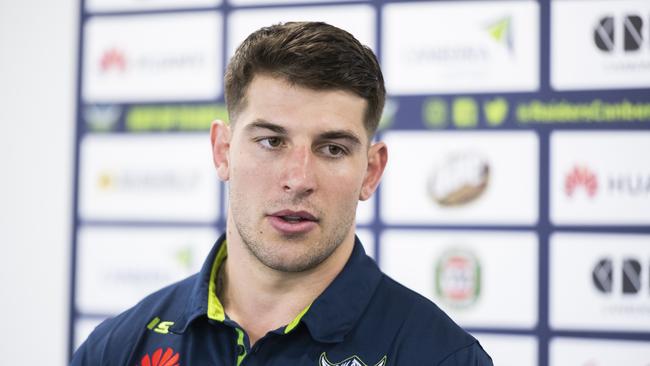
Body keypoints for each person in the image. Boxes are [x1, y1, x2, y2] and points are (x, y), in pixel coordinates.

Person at [71, 21, 493, 365]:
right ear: (223, 152)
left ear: (371, 170)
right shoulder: (117, 349)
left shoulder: (442, 357)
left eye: (332, 149)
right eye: (272, 141)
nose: (298, 178)